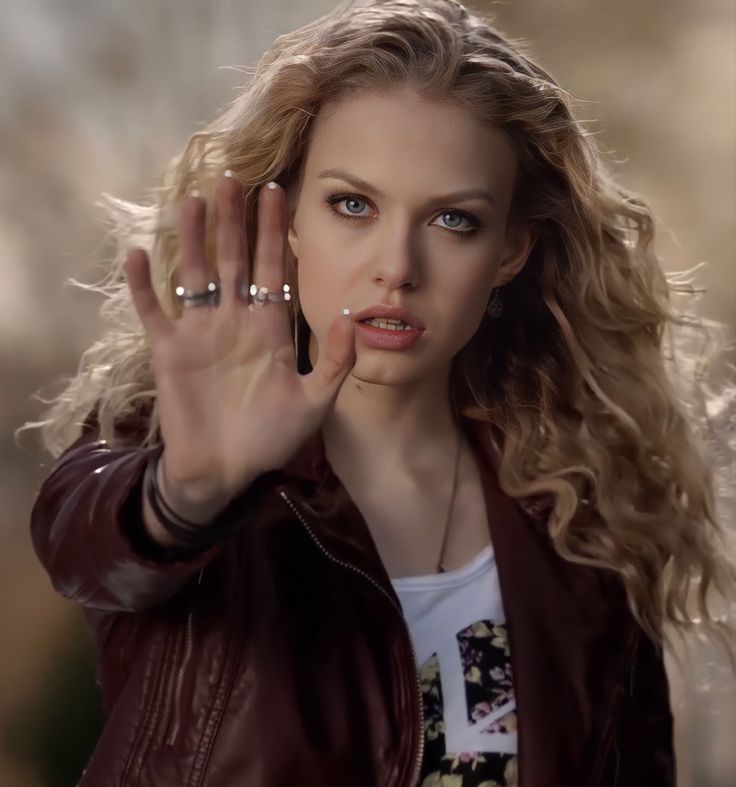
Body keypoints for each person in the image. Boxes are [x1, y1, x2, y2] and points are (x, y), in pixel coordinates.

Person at [23, 0, 735, 785]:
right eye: (353, 204)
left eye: (453, 220)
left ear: (509, 251)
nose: (396, 265)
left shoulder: (584, 524)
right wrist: (182, 495)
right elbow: (82, 548)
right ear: (287, 220)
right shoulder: (182, 456)